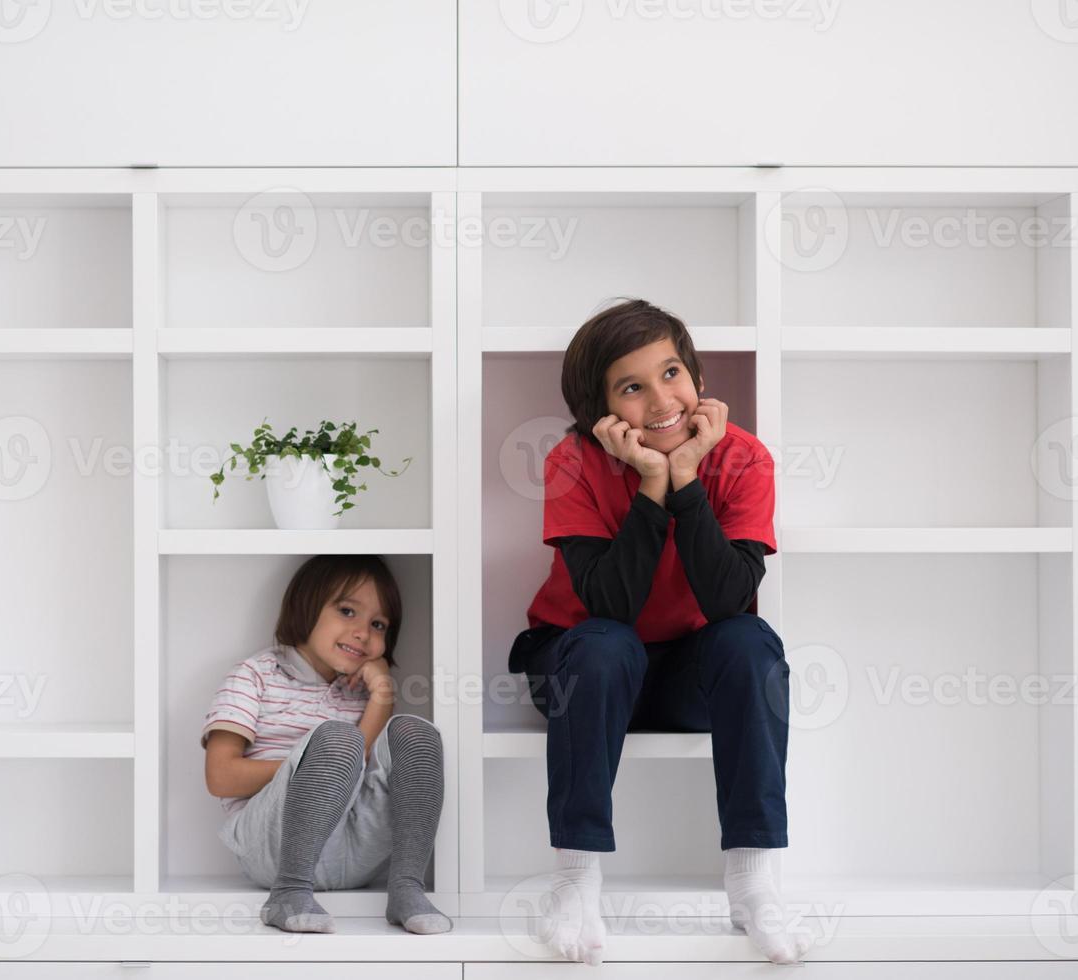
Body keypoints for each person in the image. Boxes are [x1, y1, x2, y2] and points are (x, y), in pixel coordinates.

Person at [509, 298, 812, 965]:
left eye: (670, 373)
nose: (660, 399)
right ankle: (574, 881)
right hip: (578, 664)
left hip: (682, 673)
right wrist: (651, 482)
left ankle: (753, 883)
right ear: (602, 410)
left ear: (696, 376)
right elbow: (609, 605)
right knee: (604, 644)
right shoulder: (573, 460)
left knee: (750, 642)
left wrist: (687, 481)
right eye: (631, 387)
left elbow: (731, 598)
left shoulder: (742, 458)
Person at [201, 554, 452, 935]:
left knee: (416, 734)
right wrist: (307, 767)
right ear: (306, 605)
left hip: (354, 854)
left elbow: (362, 762)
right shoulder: (256, 675)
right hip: (273, 848)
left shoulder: (364, 692)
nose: (363, 633)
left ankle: (406, 887)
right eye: (348, 611)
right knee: (338, 738)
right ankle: (288, 892)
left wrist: (382, 695)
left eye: (378, 624)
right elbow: (220, 777)